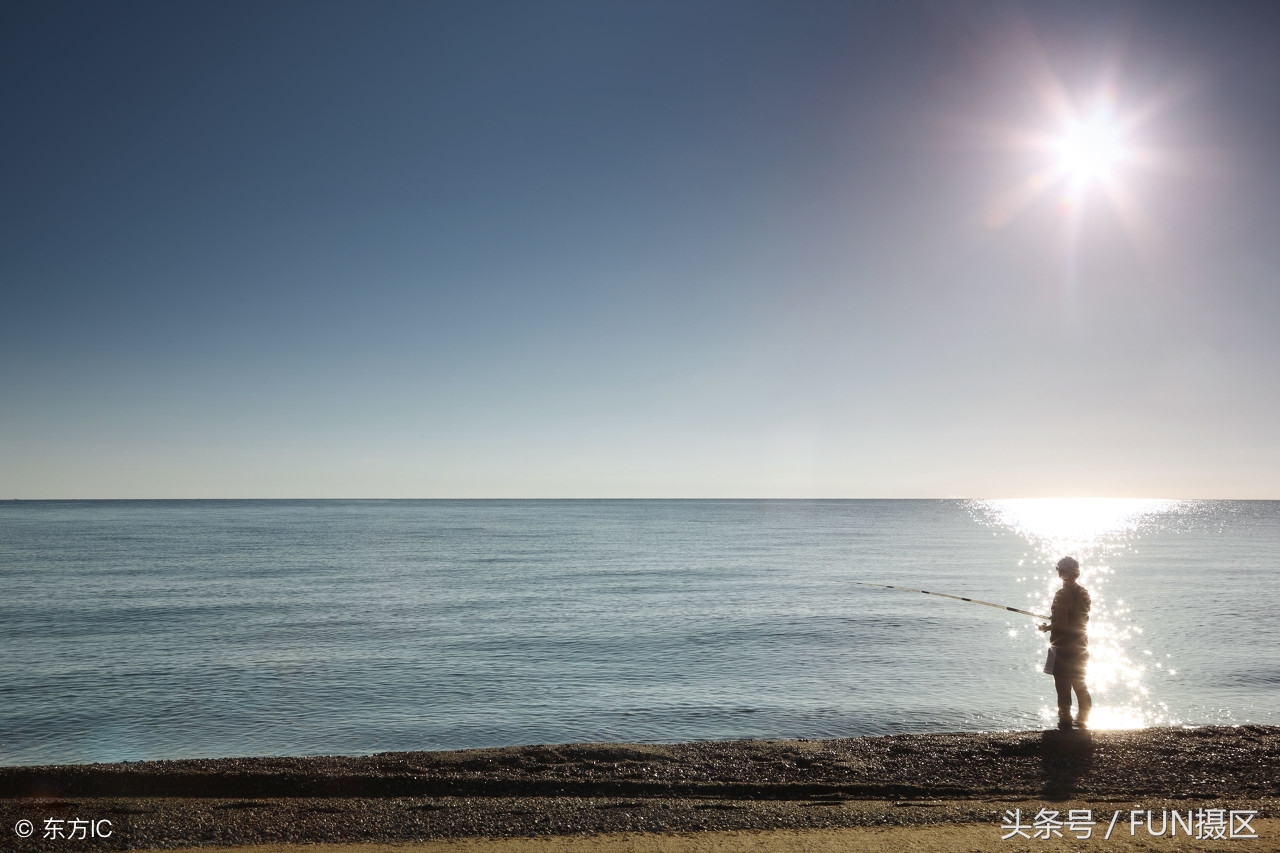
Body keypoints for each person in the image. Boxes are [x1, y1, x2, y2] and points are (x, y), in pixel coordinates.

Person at [1038, 556, 1092, 730]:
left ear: (1062, 572)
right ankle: (1083, 721)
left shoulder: (1061, 594)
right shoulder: (1084, 593)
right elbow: (1076, 618)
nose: (1058, 572)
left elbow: (1061, 625)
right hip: (1081, 645)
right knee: (1080, 685)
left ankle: (1065, 723)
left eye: (1058, 569)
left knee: (1063, 688)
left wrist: (1047, 627)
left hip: (1062, 647)